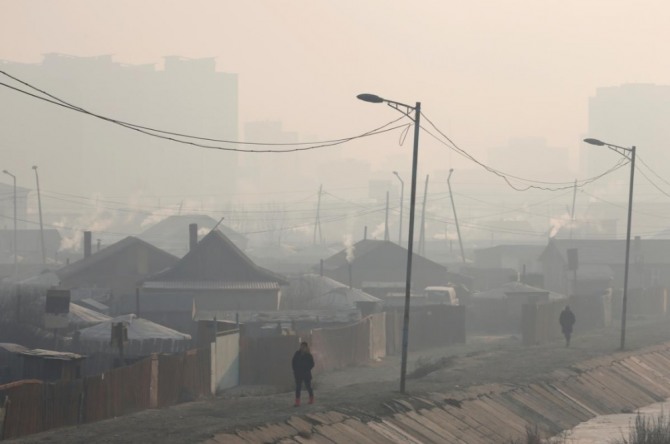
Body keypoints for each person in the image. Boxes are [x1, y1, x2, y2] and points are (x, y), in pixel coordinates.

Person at [292, 341, 315, 407]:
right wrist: (295, 370)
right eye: (301, 346)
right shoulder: (297, 353)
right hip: (298, 374)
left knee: (308, 387)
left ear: (306, 347)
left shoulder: (309, 355)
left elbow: (312, 364)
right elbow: (293, 362)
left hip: (306, 374)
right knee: (298, 388)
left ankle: (311, 399)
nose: (302, 348)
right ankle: (297, 402)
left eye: (303, 347)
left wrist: (307, 369)